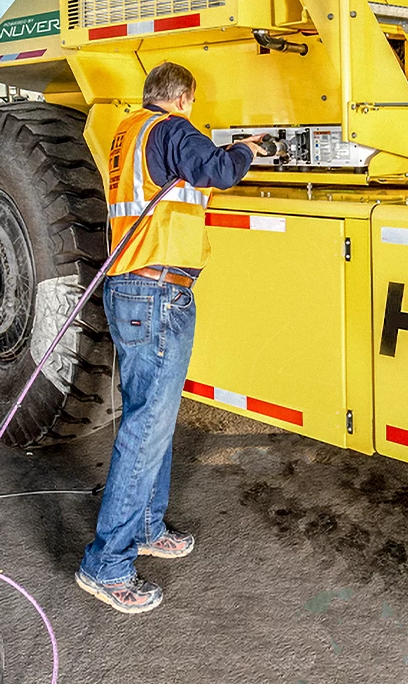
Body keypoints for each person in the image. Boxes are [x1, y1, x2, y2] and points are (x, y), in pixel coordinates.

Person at [76, 61, 267, 614]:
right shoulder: (170, 129)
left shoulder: (127, 135)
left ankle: (146, 527)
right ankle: (107, 564)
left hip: (138, 289)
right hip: (155, 293)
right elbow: (217, 170)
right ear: (182, 98)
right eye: (192, 103)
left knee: (152, 419)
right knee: (146, 427)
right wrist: (250, 149)